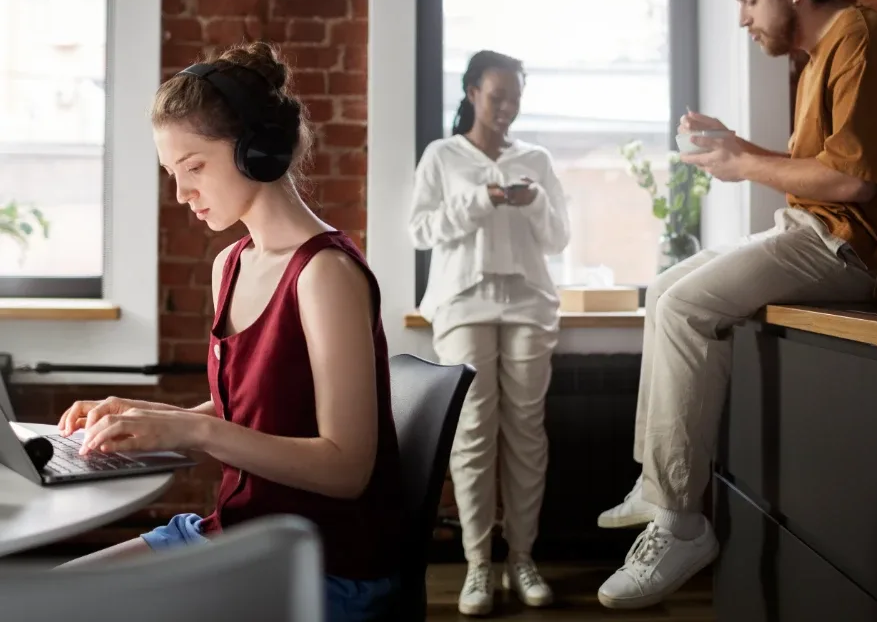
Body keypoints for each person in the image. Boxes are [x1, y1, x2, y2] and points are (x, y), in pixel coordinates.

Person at [595, 0, 877, 610]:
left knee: (686, 305)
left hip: (859, 249)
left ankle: (681, 522)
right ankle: (660, 481)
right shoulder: (822, 58)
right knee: (667, 287)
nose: (742, 19)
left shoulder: (865, 42)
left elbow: (855, 185)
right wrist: (739, 148)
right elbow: (821, 170)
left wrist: (742, 162)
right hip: (822, 232)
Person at [56, 42, 404, 622]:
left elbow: (347, 469)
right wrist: (145, 417)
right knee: (50, 597)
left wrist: (191, 430)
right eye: (172, 173)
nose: (181, 193)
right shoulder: (232, 264)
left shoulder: (326, 274)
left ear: (257, 151)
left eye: (193, 167)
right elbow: (254, 409)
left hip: (316, 563)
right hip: (233, 535)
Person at [409, 50, 570, 616]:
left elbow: (558, 238)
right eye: (498, 96)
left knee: (527, 432)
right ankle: (479, 563)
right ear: (473, 92)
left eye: (516, 98)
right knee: (472, 432)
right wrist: (485, 199)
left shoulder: (537, 158)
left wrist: (532, 200)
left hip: (528, 302)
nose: (507, 108)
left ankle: (522, 558)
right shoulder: (442, 155)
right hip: (461, 304)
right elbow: (421, 229)